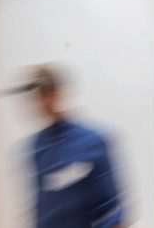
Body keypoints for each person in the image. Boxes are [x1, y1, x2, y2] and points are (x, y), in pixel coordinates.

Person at [21, 65, 125, 228]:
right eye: (37, 96)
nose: (41, 102)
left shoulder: (92, 141)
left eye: (46, 94)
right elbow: (40, 205)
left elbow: (111, 209)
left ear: (59, 94)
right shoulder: (37, 145)